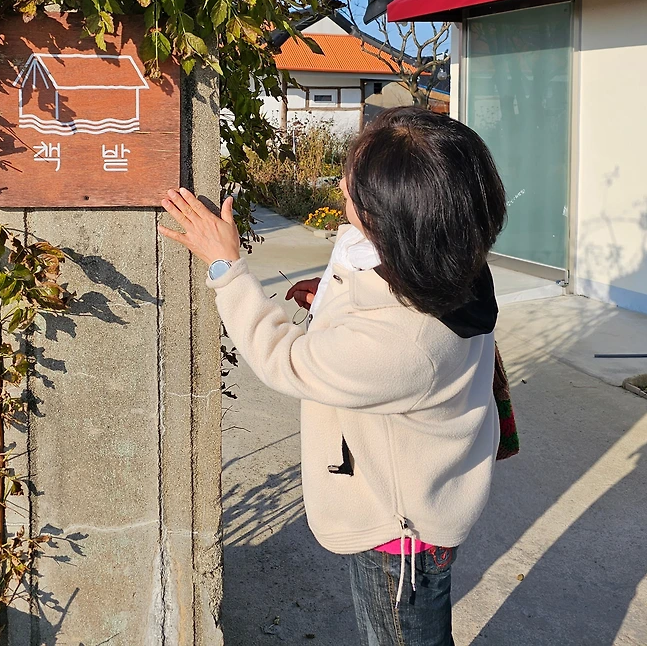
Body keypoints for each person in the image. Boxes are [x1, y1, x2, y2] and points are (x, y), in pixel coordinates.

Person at [159, 106, 509, 646]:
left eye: (355, 185)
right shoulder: (447, 258)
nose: (342, 185)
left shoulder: (406, 342)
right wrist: (330, 302)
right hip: (424, 491)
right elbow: (373, 298)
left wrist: (226, 268)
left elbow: (283, 359)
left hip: (398, 536)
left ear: (393, 218)